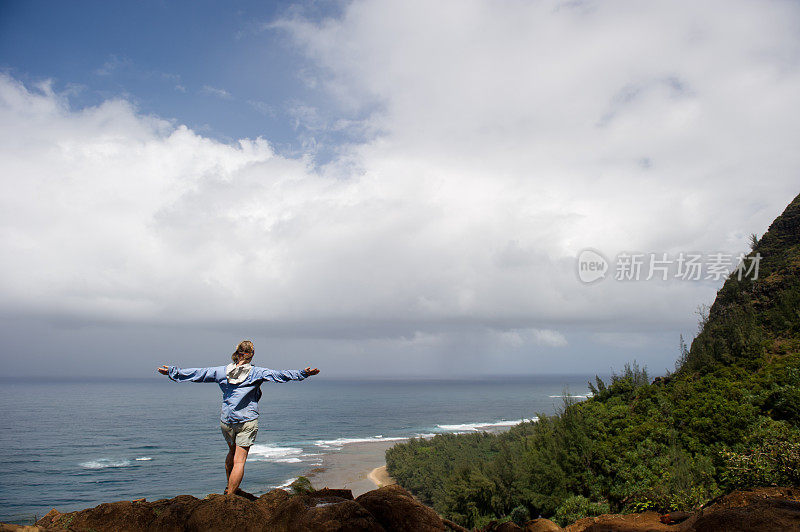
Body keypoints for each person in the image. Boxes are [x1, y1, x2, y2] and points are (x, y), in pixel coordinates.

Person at [157, 340, 320, 497]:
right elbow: (280, 375)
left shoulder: (221, 371)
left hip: (226, 421)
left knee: (232, 452)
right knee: (240, 461)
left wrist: (173, 371)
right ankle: (231, 496)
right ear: (251, 354)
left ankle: (229, 488)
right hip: (246, 420)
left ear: (237, 353)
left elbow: (198, 373)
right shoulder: (257, 372)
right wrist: (303, 373)